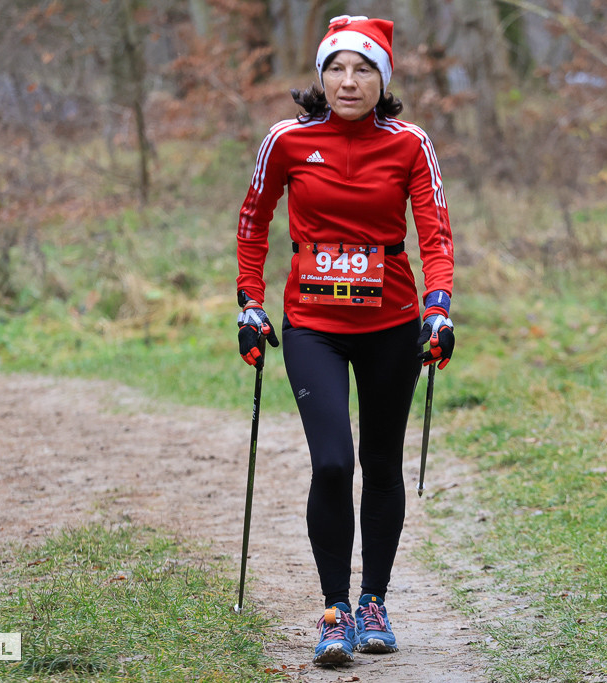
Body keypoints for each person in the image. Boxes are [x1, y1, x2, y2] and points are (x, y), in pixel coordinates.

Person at [234, 15, 455, 666]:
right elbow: (253, 222)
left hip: (390, 323)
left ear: (382, 79)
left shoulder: (410, 143)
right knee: (333, 461)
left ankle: (373, 602)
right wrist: (250, 302)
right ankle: (334, 610)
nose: (348, 81)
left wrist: (438, 309)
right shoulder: (287, 141)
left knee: (381, 464)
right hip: (312, 325)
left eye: (363, 69)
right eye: (336, 68)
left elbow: (435, 234)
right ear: (320, 76)